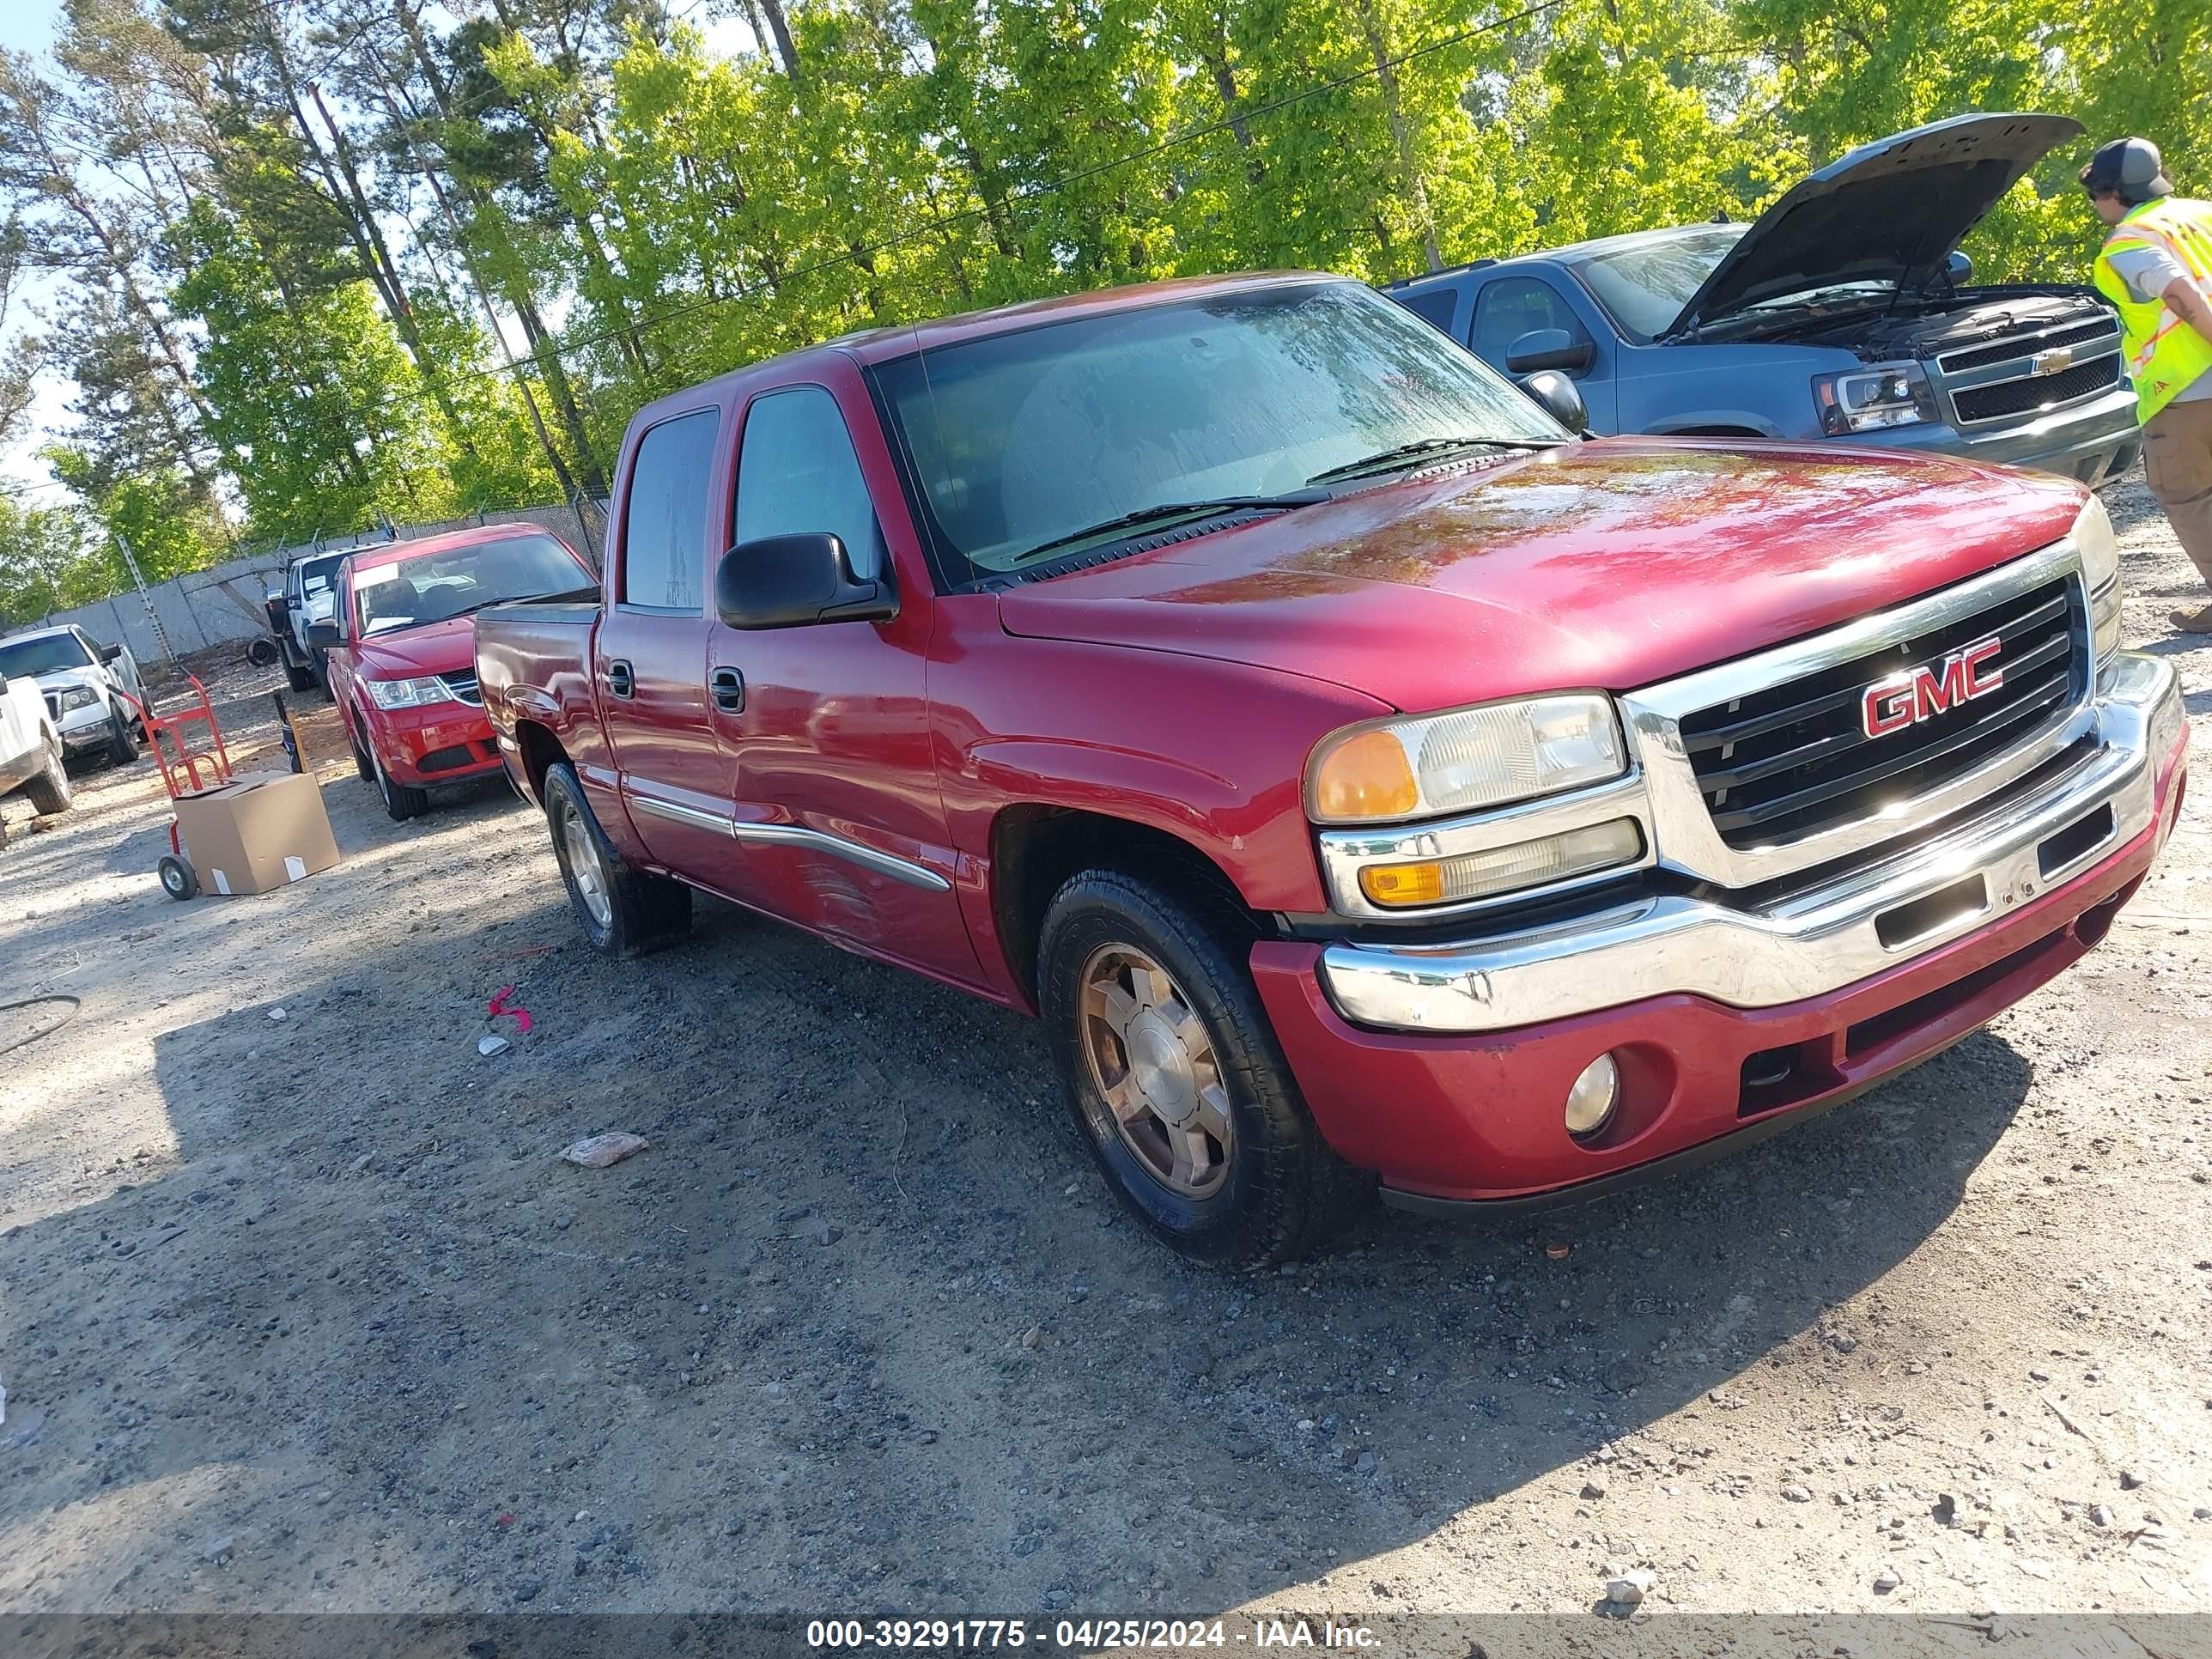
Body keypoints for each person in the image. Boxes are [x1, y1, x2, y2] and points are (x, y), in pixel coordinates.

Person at [2083, 137, 2212, 632]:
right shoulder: (2200, 213)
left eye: (2095, 194)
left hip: (2185, 391)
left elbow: (2177, 294)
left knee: (2186, 492)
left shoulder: (2131, 239)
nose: (2096, 205)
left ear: (2114, 193)